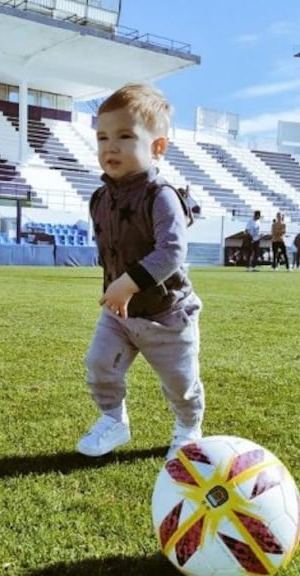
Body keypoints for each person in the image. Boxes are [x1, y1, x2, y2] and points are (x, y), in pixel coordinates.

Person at [77, 83, 205, 459]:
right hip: (119, 314)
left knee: (180, 384)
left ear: (158, 146)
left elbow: (172, 251)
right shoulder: (99, 198)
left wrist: (128, 283)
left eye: (125, 136)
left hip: (167, 314)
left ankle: (188, 428)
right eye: (102, 137)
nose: (110, 147)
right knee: (99, 365)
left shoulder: (161, 195)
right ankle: (113, 420)